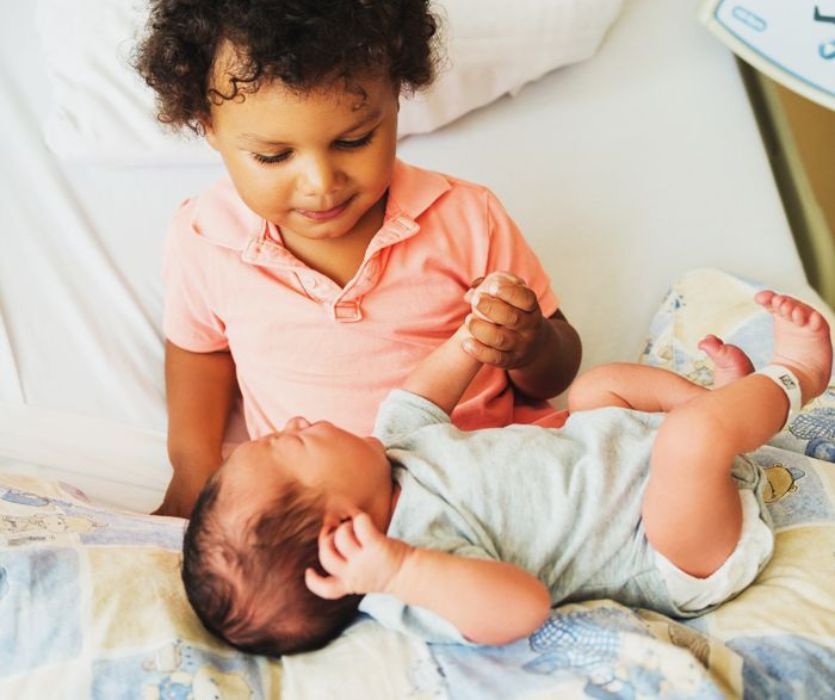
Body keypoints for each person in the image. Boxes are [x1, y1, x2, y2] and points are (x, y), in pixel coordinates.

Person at [180, 284, 833, 656]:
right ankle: (794, 376)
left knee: (597, 388)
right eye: (285, 447)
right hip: (666, 545)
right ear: (340, 532)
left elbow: (419, 394)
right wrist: (400, 569)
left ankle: (728, 411)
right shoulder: (415, 569)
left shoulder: (393, 450)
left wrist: (470, 339)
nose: (289, 425)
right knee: (689, 443)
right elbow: (521, 607)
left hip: (626, 454)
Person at [134, 0, 582, 518]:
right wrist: (192, 468)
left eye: (354, 140)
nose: (321, 184)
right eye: (274, 156)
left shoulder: (466, 219)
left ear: (396, 95)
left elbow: (557, 371)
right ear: (205, 123)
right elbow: (200, 349)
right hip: (319, 512)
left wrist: (530, 344)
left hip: (491, 490)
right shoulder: (206, 237)